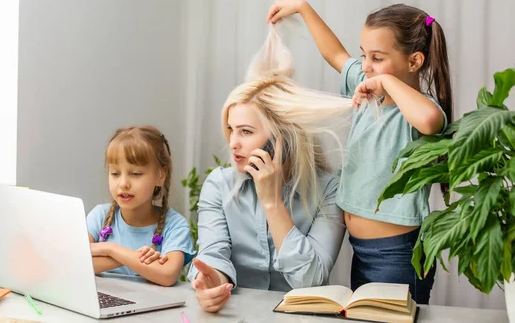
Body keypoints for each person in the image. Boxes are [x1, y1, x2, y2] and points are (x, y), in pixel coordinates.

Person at [266, 0, 453, 304]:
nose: (366, 66)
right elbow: (336, 54)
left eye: (377, 58)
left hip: (398, 254)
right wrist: (303, 8)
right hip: (361, 250)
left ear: (414, 61)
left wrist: (386, 81)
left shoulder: (419, 109)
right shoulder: (369, 89)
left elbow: (431, 121)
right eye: (365, 55)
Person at [188, 24, 355, 312]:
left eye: (246, 131)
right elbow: (214, 254)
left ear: (282, 138)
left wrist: (272, 203)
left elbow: (310, 279)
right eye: (231, 130)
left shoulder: (329, 189)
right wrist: (210, 281)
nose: (233, 143)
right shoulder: (219, 184)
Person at [87, 126, 194, 286]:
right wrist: (133, 257)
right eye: (115, 173)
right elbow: (76, 262)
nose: (123, 184)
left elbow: (167, 275)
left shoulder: (175, 225)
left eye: (136, 174)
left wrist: (110, 249)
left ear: (160, 175)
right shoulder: (99, 216)